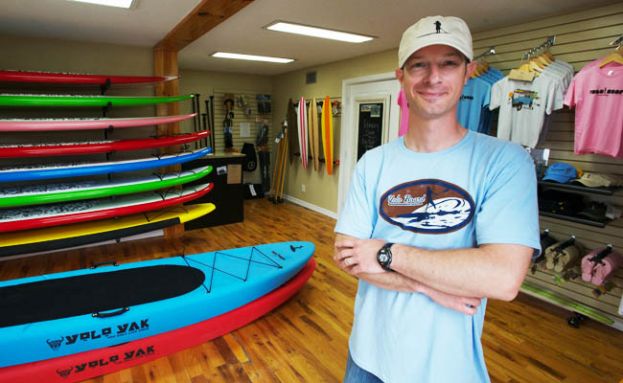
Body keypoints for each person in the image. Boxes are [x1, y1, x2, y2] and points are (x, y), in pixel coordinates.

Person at [333, 15, 540, 383]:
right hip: (365, 360)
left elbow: (503, 278)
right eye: (419, 65)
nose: (433, 78)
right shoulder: (373, 162)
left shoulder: (505, 161)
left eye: (448, 63)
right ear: (401, 76)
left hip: (448, 369)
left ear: (468, 72)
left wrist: (387, 252)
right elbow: (348, 257)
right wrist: (425, 285)